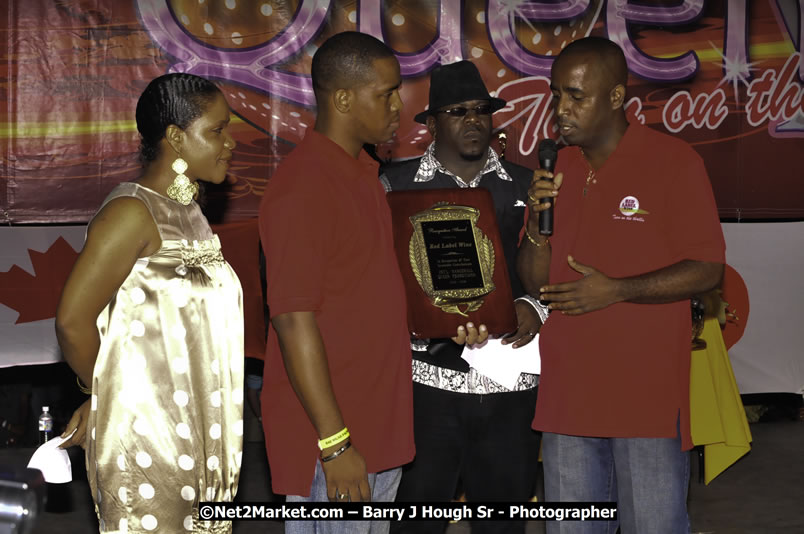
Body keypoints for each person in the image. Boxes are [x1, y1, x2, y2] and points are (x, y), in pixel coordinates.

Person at [258, 32, 486, 534]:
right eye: (385, 94)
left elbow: (372, 298)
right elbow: (292, 321)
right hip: (334, 439)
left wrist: (450, 318)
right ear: (342, 99)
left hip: (377, 423)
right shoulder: (304, 186)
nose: (398, 107)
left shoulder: (363, 173)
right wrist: (334, 442)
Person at [518, 37, 726, 533]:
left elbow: (707, 269)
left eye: (576, 96)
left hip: (645, 399)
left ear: (616, 96)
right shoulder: (556, 168)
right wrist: (538, 226)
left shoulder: (673, 162)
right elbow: (534, 280)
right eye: (556, 95)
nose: (561, 110)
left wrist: (617, 289)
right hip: (568, 398)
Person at [55, 73, 243, 533]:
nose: (230, 142)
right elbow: (73, 322)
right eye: (217, 130)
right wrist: (103, 394)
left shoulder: (188, 211)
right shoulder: (131, 213)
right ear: (176, 138)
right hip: (148, 437)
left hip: (200, 431)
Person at [380, 60, 545, 534]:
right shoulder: (392, 185)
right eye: (457, 112)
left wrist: (534, 307)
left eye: (481, 110)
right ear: (431, 125)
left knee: (503, 522)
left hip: (508, 381)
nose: (473, 120)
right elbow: (377, 278)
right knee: (415, 522)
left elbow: (552, 268)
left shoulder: (527, 185)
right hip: (426, 384)